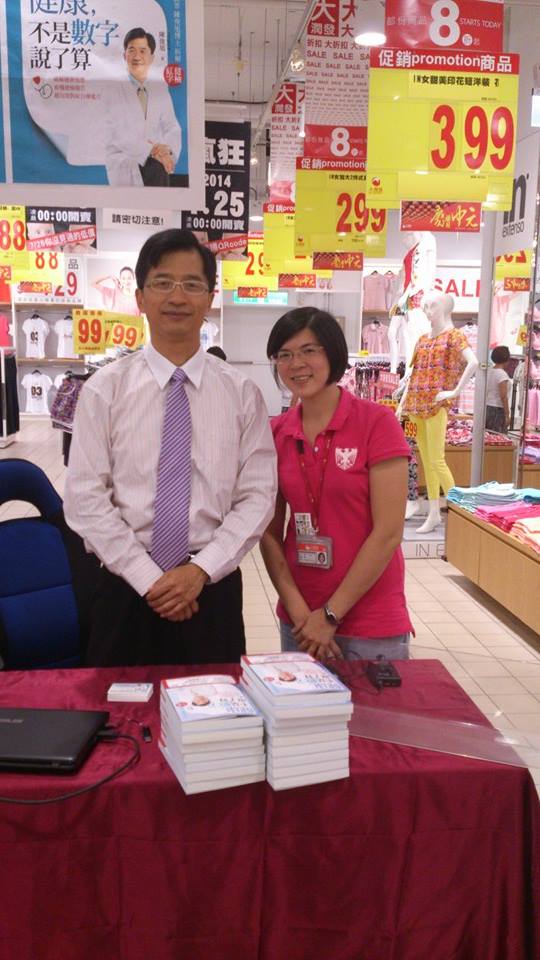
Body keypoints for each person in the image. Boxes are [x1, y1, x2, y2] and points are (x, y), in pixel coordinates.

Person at [64, 228, 277, 666]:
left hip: (211, 590)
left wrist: (199, 571)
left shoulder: (242, 394)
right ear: (140, 298)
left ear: (210, 298)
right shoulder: (104, 390)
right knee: (117, 706)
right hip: (124, 588)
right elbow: (85, 497)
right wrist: (148, 577)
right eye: (162, 283)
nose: (177, 297)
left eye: (192, 284)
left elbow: (257, 496)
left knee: (215, 706)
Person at [260, 307, 413, 663]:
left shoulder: (377, 423)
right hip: (301, 621)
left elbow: (388, 532)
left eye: (309, 350)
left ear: (333, 353)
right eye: (285, 354)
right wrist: (301, 614)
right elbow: (268, 533)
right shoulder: (276, 433)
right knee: (302, 702)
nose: (296, 364)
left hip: (371, 619)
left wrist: (330, 615)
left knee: (375, 704)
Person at [399, 292, 478, 533]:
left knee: (437, 460)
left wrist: (454, 391)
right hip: (416, 404)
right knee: (427, 461)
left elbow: (474, 363)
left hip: (435, 404)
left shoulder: (454, 336)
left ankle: (461, 512)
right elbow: (414, 373)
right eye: (425, 307)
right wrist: (402, 402)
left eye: (431, 306)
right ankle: (434, 513)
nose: (427, 311)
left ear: (444, 307)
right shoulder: (423, 339)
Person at [103, 28, 182, 187]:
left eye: (142, 51)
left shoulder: (160, 90)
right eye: (131, 50)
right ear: (124, 55)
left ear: (151, 57)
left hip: (156, 163)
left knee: (159, 177)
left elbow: (172, 127)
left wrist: (167, 152)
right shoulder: (113, 89)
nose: (137, 56)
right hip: (125, 161)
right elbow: (118, 133)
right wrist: (152, 150)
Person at [486, 346, 511, 434]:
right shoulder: (502, 374)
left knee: (487, 436)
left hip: (487, 407)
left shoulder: (489, 371)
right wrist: (507, 414)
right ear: (506, 359)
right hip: (497, 409)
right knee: (498, 437)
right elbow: (503, 397)